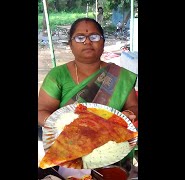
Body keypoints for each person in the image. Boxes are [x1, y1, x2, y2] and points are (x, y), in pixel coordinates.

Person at [38, 17, 138, 179]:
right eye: (79, 37)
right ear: (70, 44)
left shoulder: (119, 76)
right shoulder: (57, 75)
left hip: (111, 150)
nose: (87, 42)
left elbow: (134, 107)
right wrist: (67, 127)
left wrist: (127, 115)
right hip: (70, 150)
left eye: (94, 36)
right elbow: (41, 111)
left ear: (103, 42)